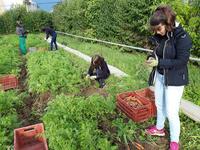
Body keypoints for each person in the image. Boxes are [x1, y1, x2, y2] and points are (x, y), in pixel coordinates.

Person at [145, 5, 192, 150]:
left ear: (168, 23)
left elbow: (181, 61)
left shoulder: (183, 37)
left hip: (175, 79)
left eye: (158, 28)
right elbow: (158, 52)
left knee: (171, 111)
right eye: (154, 30)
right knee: (160, 104)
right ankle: (159, 128)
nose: (157, 32)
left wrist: (160, 62)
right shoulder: (162, 35)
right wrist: (152, 58)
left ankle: (174, 141)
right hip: (160, 75)